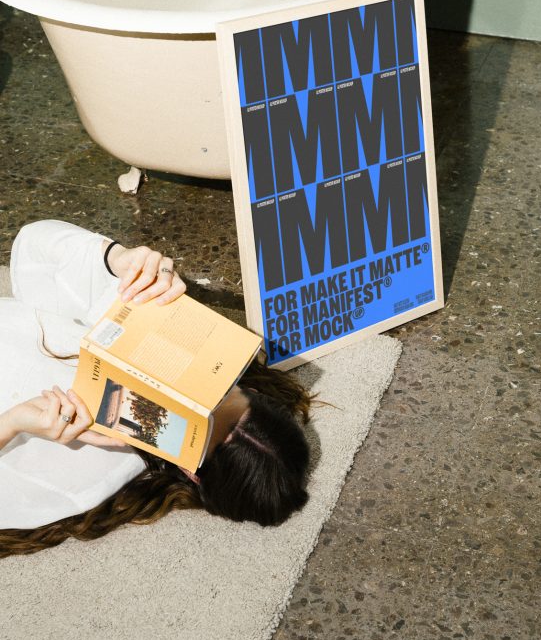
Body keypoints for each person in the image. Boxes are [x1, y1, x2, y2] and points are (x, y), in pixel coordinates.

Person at [0, 221, 312, 557]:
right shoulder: (174, 345)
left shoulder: (87, 477)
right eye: (224, 395)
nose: (195, 399)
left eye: (201, 430)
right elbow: (33, 252)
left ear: (191, 474)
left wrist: (12, 422)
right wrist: (116, 259)